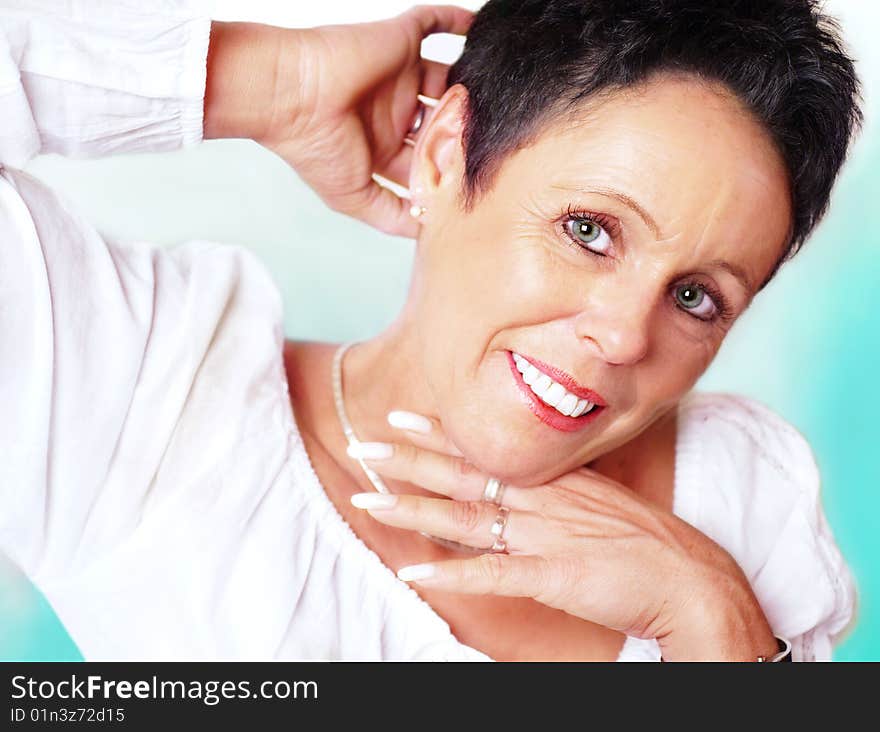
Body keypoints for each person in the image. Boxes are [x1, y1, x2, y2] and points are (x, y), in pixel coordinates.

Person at [0, 0, 861, 661]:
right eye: (589, 229)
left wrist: (711, 618)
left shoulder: (742, 499)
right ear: (447, 155)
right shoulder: (144, 403)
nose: (625, 336)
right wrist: (268, 82)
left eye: (696, 297)